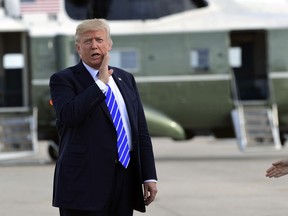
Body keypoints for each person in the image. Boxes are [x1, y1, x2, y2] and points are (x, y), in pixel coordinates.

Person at [49, 18, 158, 216]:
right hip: (83, 186)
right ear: (78, 47)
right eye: (87, 41)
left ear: (109, 45)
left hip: (124, 182)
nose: (94, 46)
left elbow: (140, 131)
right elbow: (70, 116)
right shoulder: (63, 80)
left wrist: (149, 175)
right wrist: (101, 84)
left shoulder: (126, 79)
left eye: (99, 40)